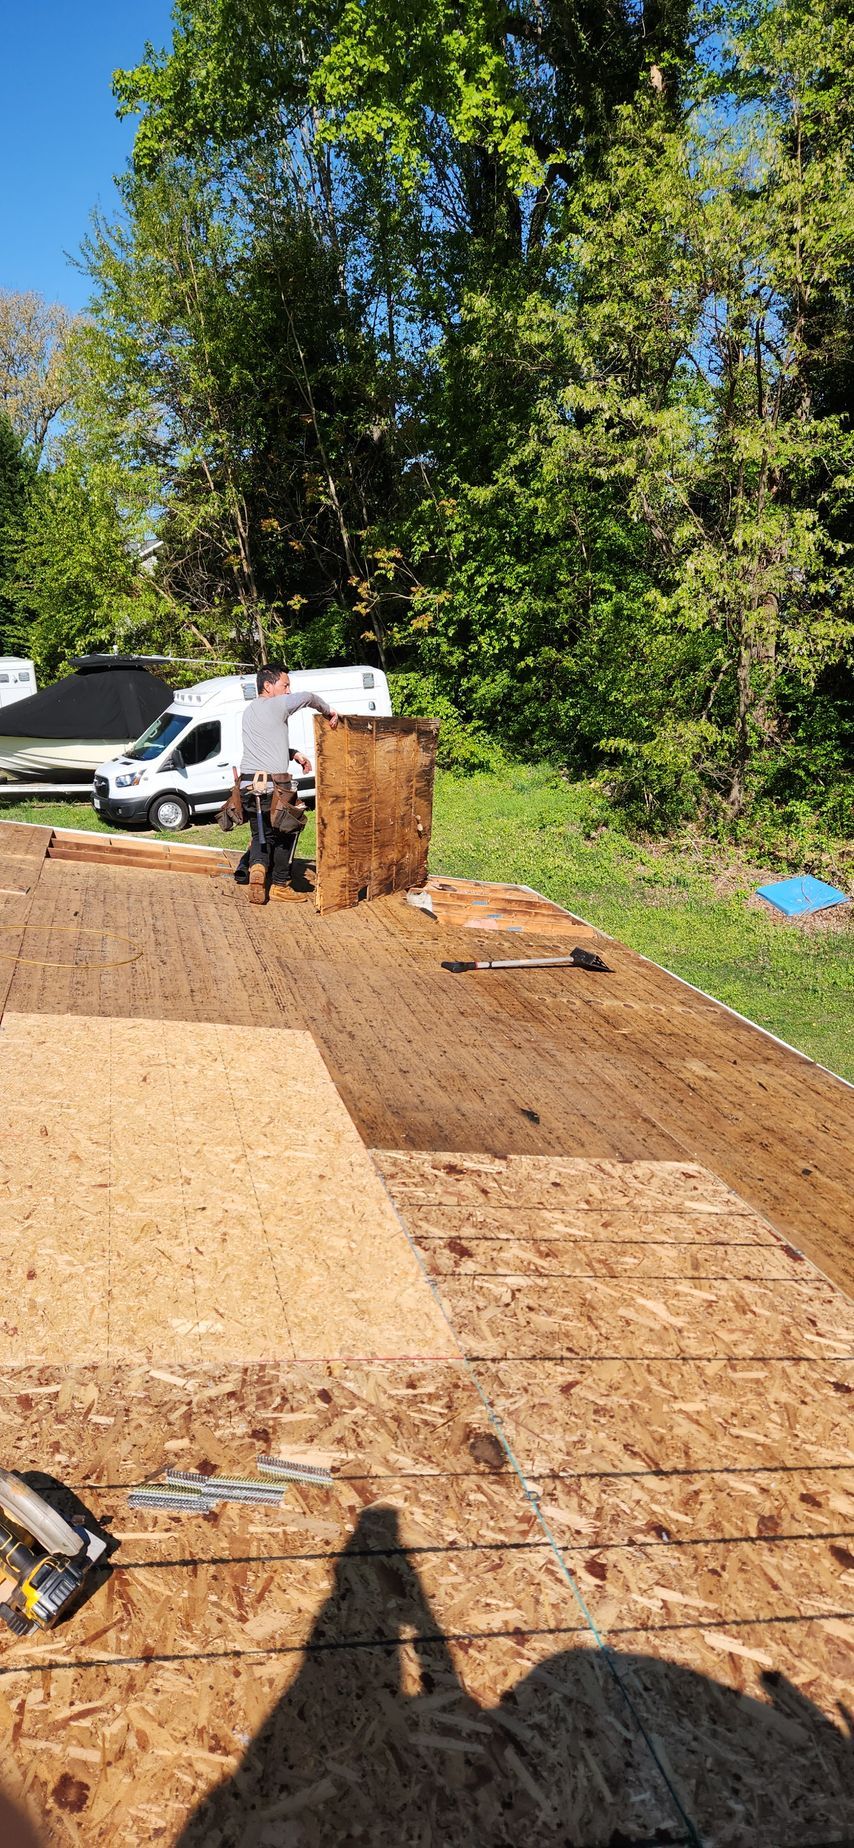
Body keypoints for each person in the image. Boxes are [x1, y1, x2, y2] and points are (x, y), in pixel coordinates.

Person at [234, 663, 339, 902]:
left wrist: (293, 754)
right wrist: (329, 711)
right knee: (288, 829)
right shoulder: (277, 704)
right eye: (286, 685)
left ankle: (258, 870)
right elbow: (309, 698)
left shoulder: (250, 710)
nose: (289, 690)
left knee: (261, 834)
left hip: (248, 786)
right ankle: (280, 885)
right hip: (273, 787)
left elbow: (265, 744)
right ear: (268, 686)